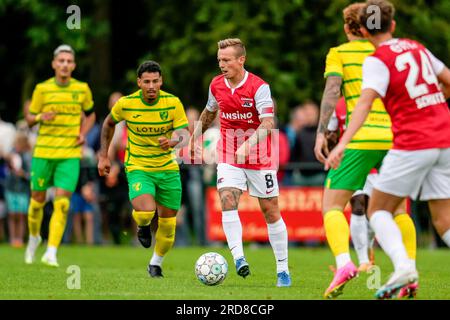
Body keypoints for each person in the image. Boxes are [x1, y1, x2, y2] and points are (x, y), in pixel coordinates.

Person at [326, 0, 450, 299]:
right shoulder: (416, 47)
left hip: (413, 140)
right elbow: (447, 81)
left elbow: (364, 104)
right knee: (444, 219)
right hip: (444, 136)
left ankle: (404, 268)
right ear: (392, 25)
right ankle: (405, 268)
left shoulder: (377, 59)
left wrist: (342, 143)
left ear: (363, 32)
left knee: (377, 209)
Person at [314, 3, 416, 298]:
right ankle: (408, 271)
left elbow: (333, 91)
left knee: (332, 206)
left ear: (348, 28)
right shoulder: (388, 52)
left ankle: (345, 263)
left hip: (359, 139)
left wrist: (322, 134)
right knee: (398, 209)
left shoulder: (340, 53)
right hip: (394, 137)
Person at [189, 38, 291, 287]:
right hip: (228, 153)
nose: (221, 65)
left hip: (259, 156)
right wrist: (193, 138)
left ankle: (282, 270)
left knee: (270, 211)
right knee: (226, 198)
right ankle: (239, 258)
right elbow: (209, 111)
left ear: (241, 60)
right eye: (219, 60)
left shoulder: (259, 87)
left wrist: (248, 144)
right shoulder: (216, 85)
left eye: (226, 60)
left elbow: (268, 124)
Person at [98, 60, 188, 278]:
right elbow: (108, 124)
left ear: (161, 81)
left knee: (168, 224)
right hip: (138, 166)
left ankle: (155, 264)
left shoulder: (173, 103)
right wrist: (104, 156)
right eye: (146, 81)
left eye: (155, 81)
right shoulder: (126, 104)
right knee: (146, 211)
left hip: (167, 169)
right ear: (139, 82)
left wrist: (174, 141)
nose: (151, 86)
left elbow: (185, 132)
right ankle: (143, 225)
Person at [24, 44, 95, 267]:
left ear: (73, 65)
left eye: (68, 61)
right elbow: (29, 119)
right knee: (37, 202)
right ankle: (35, 237)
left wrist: (83, 134)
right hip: (43, 152)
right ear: (54, 64)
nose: (64, 64)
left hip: (69, 154)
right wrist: (39, 117)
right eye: (61, 61)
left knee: (62, 203)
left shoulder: (82, 88)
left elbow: (91, 115)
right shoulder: (42, 89)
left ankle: (52, 251)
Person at [4, 132, 32, 247]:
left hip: (22, 190)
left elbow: (31, 176)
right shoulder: (12, 154)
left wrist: (23, 174)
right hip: (11, 188)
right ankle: (12, 238)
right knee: (12, 214)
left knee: (20, 215)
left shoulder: (28, 157)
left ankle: (19, 239)